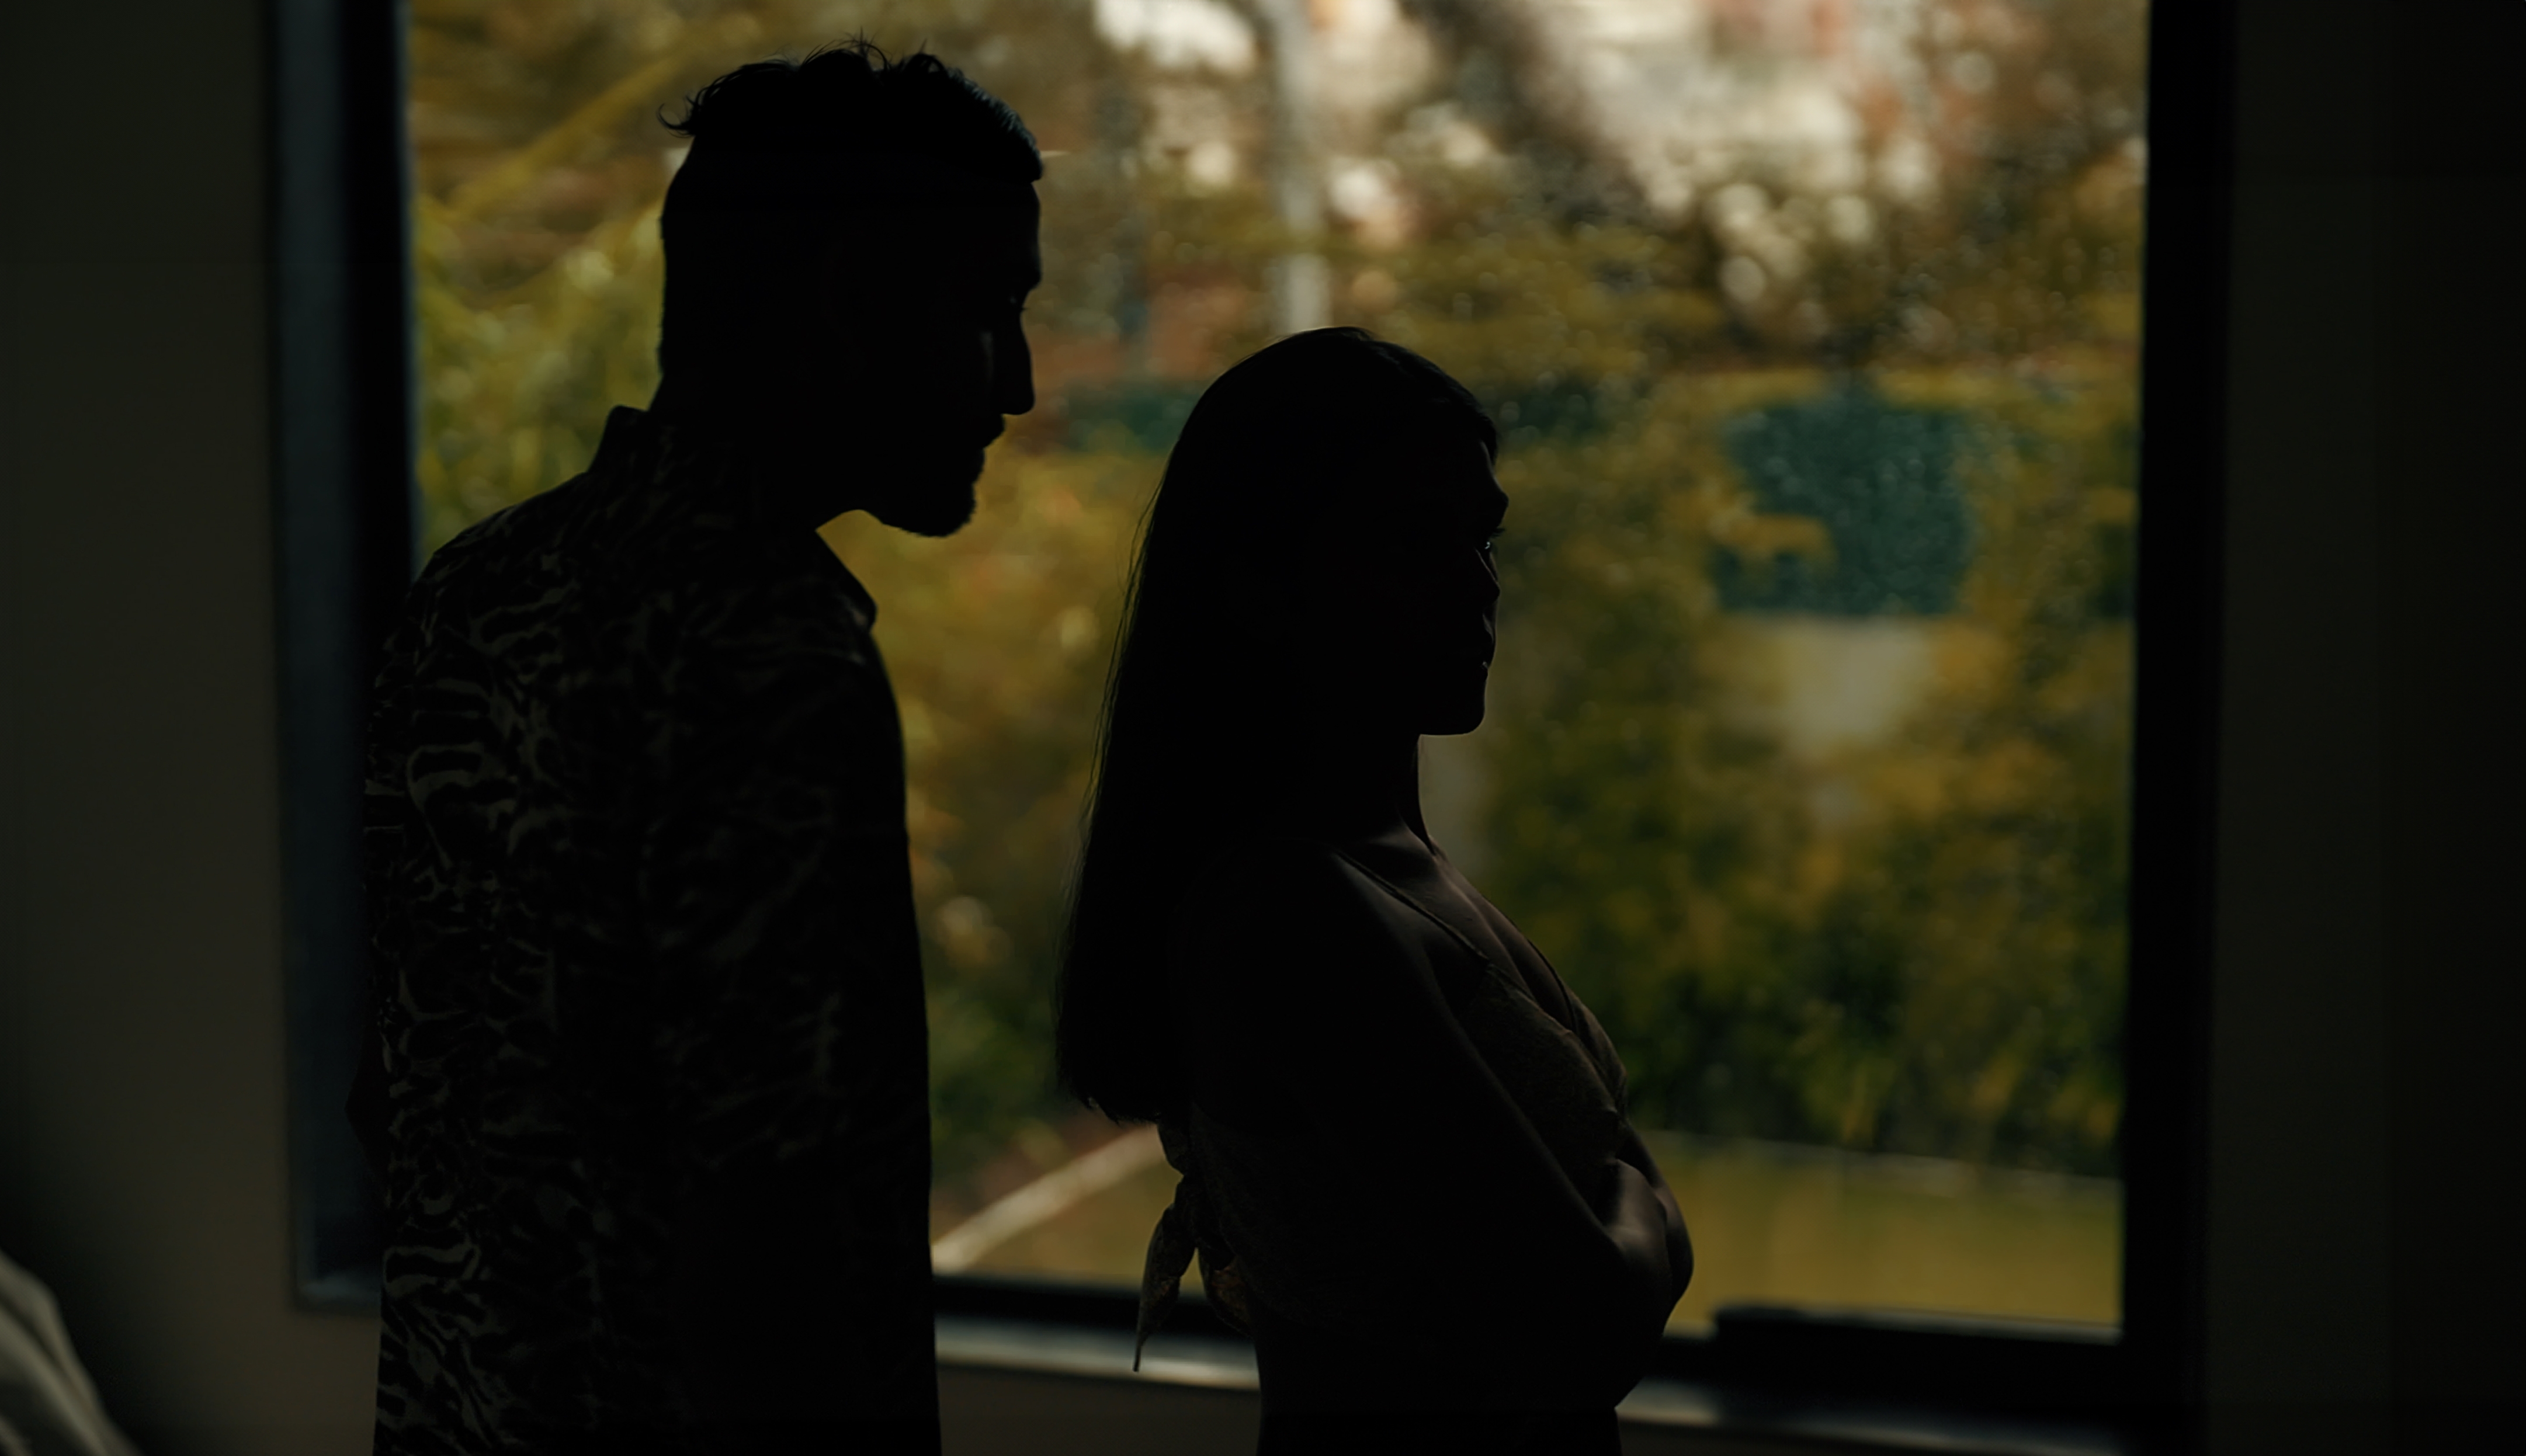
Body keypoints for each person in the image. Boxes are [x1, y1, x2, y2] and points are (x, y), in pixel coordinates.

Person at [355, 43, 1040, 1455]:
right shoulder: (767, 655)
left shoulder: (476, 590)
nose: (1020, 383)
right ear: (850, 307)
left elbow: (402, 1089)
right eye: (987, 314)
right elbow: (774, 1221)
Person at [1057, 328, 1692, 1452]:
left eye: (1482, 539)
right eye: (1413, 543)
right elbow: (1584, 1325)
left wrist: (1619, 1206)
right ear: (1263, 585)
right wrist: (1651, 1210)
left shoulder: (1391, 871)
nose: (1477, 585)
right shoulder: (1297, 919)